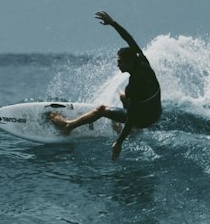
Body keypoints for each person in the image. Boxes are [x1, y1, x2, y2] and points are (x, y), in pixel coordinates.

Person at [48, 10, 162, 160]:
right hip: (156, 113)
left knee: (102, 109)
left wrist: (119, 142)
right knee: (122, 96)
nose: (117, 64)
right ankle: (133, 130)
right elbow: (129, 40)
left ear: (129, 62)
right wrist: (113, 23)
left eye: (120, 61)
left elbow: (132, 117)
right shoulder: (142, 62)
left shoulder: (134, 85)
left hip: (143, 119)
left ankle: (68, 126)